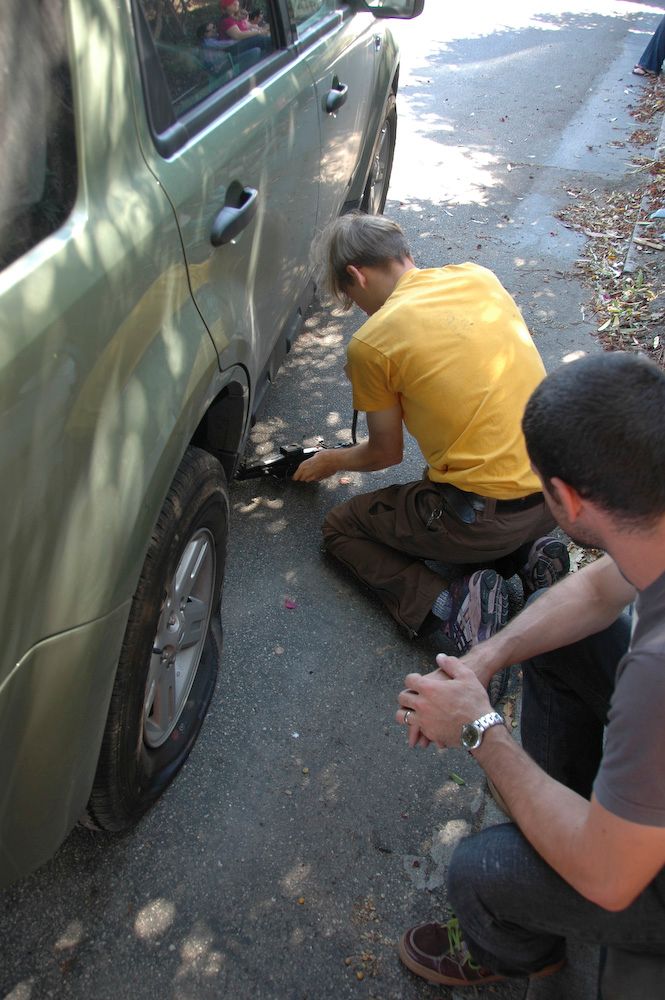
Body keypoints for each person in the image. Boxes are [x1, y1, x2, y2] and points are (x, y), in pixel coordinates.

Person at [395, 351, 665, 995]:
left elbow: (609, 875)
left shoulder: (657, 675)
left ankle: (524, 947)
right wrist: (490, 656)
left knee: (477, 874)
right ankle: (551, 833)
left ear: (567, 499)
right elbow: (601, 588)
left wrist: (478, 727)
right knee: (552, 633)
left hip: (629, 864)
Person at [293, 213, 568, 653]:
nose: (359, 309)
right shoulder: (479, 277)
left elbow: (385, 454)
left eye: (350, 296)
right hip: (558, 492)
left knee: (342, 528)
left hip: (484, 518)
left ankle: (449, 605)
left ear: (355, 275)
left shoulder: (373, 342)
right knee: (483, 486)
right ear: (402, 252)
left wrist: (332, 460)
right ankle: (529, 555)